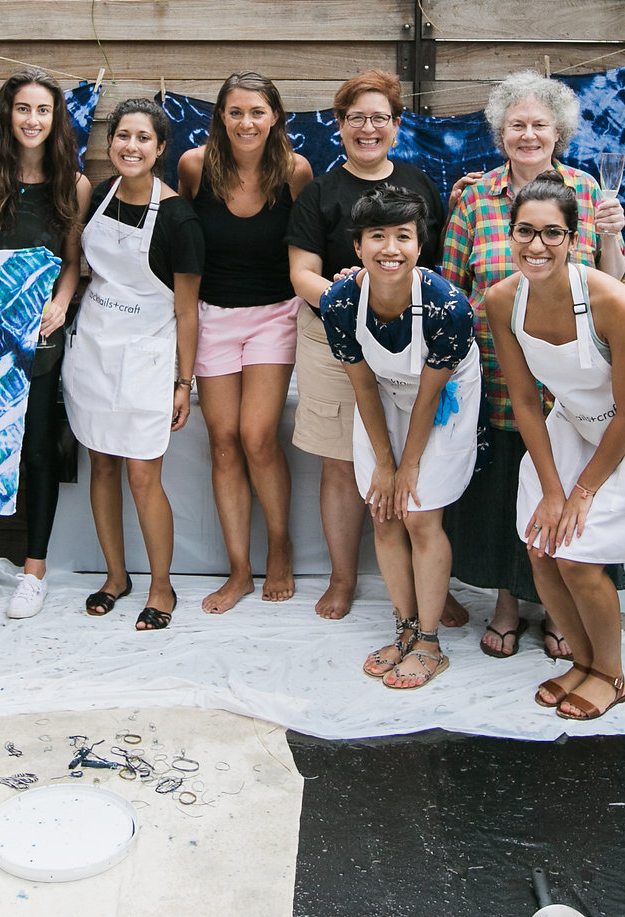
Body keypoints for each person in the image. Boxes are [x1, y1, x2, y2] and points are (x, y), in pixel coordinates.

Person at [441, 71, 625, 664]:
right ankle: (504, 602)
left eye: (539, 125)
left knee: (567, 486)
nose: (527, 134)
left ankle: (557, 610)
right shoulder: (474, 196)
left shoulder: (587, 190)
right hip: (498, 373)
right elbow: (449, 287)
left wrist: (617, 237)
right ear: (500, 133)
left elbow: (611, 284)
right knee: (506, 493)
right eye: (516, 124)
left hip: (574, 380)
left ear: (559, 133)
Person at [489, 174, 625, 719]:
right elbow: (526, 402)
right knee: (540, 543)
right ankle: (583, 659)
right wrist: (553, 491)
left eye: (552, 233)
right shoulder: (502, 300)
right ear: (511, 234)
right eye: (525, 231)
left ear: (574, 239)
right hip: (573, 420)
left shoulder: (614, 303)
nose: (537, 246)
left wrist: (582, 491)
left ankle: (610, 674)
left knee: (577, 556)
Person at [286, 69, 452, 622]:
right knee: (340, 464)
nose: (368, 127)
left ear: (397, 126)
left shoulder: (419, 184)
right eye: (356, 117)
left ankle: (431, 585)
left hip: (412, 341)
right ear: (339, 126)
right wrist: (347, 299)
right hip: (334, 338)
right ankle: (342, 578)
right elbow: (302, 273)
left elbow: (437, 264)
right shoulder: (319, 194)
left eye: (380, 117)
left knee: (417, 465)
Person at [0, 68, 89, 619]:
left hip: (39, 338)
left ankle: (33, 572)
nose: (32, 120)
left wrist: (60, 303)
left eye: (42, 110)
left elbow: (72, 265)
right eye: (22, 109)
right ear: (6, 115)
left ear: (56, 120)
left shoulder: (71, 184)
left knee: (35, 450)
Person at [323, 186, 481, 690]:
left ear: (420, 246)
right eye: (377, 237)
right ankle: (405, 627)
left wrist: (406, 466)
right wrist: (383, 466)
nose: (390, 248)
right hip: (384, 395)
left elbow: (430, 397)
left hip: (443, 396)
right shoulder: (339, 302)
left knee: (416, 511)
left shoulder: (448, 308)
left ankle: (431, 644)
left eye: (403, 237)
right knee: (382, 509)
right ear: (357, 246)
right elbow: (364, 386)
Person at [179, 74, 314, 613]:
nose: (246, 123)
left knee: (258, 436)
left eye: (257, 112)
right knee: (223, 440)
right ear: (221, 116)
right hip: (213, 314)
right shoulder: (195, 165)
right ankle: (239, 569)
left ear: (275, 116)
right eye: (235, 112)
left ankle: (278, 547)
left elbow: (309, 242)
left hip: (274, 314)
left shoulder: (296, 171)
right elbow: (181, 237)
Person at [69, 99, 205, 630]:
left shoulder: (178, 219)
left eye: (143, 138)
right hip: (94, 352)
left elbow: (187, 312)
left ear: (161, 148)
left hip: (148, 359)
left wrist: (182, 381)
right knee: (100, 465)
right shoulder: (100, 197)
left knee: (144, 477)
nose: (131, 146)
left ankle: (161, 587)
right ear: (111, 144)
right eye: (123, 136)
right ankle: (115, 575)